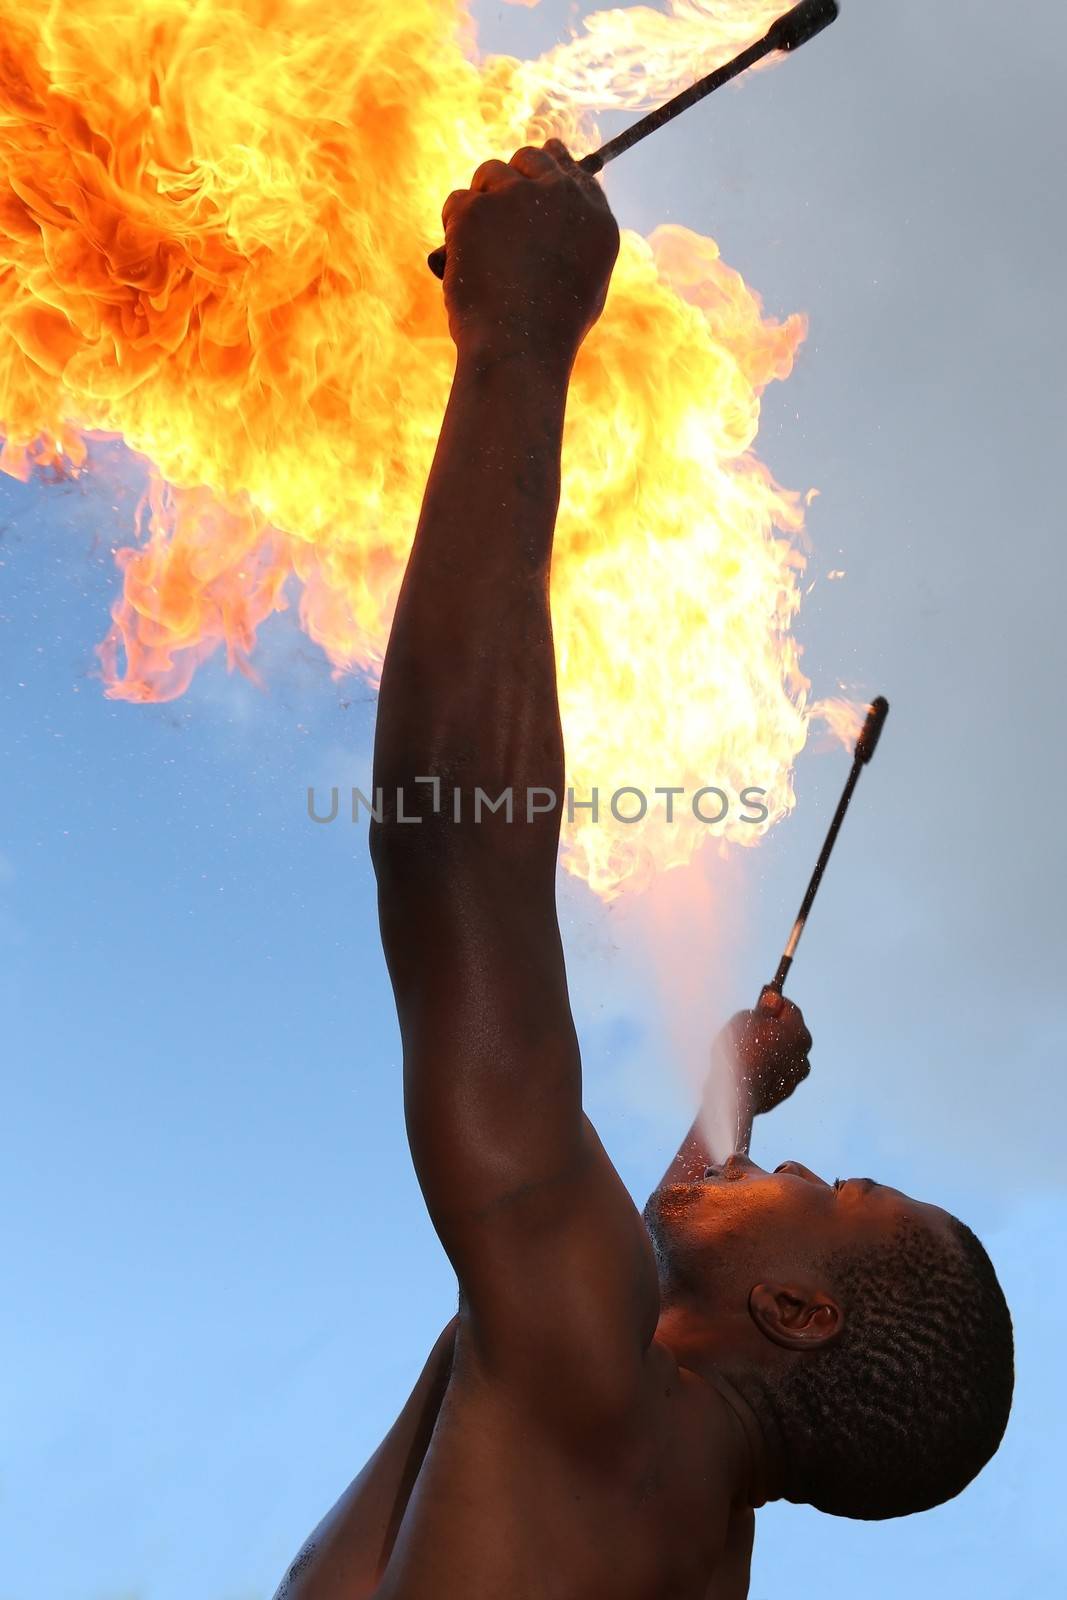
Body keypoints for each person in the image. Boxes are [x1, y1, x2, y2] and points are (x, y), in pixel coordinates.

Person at [274, 140, 1013, 1600]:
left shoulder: (597, 1392)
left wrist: (520, 338)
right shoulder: (664, 1498)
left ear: (798, 1309)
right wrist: (722, 1102)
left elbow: (451, 854)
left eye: (831, 1183)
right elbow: (629, 1236)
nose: (787, 1161)